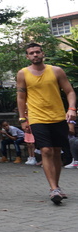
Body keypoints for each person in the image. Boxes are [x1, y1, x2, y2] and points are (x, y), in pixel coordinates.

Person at [16, 42, 77, 204]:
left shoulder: (56, 71)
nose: (35, 55)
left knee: (56, 151)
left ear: (43, 53)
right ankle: (53, 188)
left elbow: (70, 91)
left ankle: (56, 186)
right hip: (37, 118)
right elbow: (21, 97)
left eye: (37, 52)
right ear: (27, 56)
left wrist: (72, 108)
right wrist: (22, 118)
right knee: (46, 150)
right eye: (31, 53)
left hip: (58, 117)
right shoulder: (23, 74)